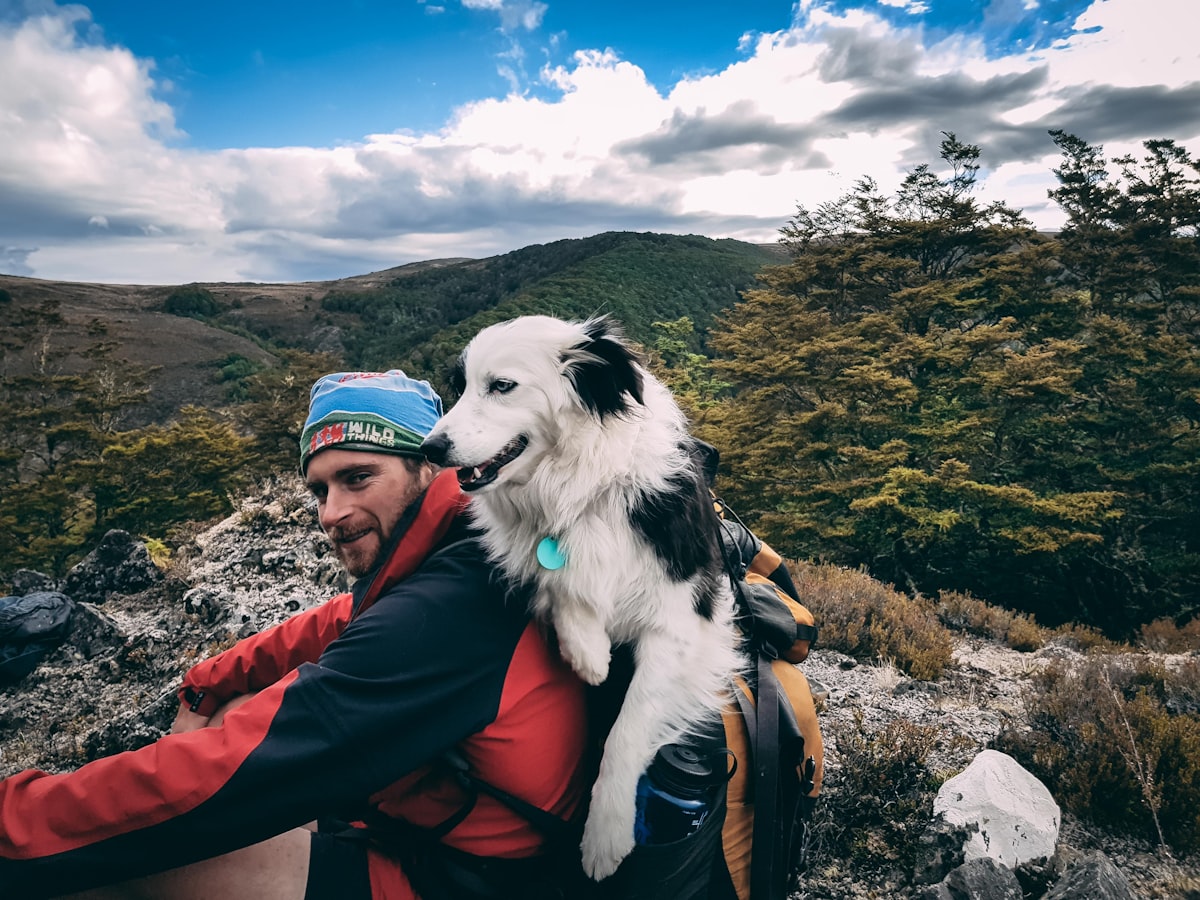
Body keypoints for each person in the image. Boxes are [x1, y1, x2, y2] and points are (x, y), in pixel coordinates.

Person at [0, 370, 590, 900]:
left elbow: (243, 764)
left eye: (358, 478)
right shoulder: (462, 553)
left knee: (110, 868)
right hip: (442, 831)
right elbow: (336, 618)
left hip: (457, 880)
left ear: (432, 467)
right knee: (234, 707)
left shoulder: (448, 613)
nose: (332, 513)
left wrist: (13, 823)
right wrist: (207, 682)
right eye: (320, 490)